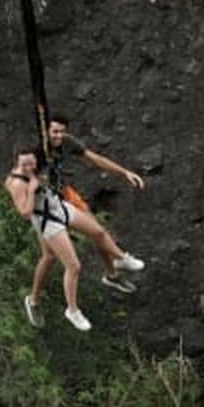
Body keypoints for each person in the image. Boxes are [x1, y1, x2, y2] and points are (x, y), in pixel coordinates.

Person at [4, 148, 140, 331]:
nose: (29, 167)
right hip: (47, 221)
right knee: (73, 266)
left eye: (32, 163)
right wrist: (31, 189)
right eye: (24, 164)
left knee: (98, 232)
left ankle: (119, 262)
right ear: (16, 164)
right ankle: (72, 310)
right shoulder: (16, 183)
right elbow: (25, 212)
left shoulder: (36, 168)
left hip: (60, 207)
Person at [39, 113, 146, 294]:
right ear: (45, 130)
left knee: (98, 232)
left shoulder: (67, 142)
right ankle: (37, 297)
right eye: (55, 131)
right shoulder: (36, 148)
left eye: (62, 132)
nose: (59, 135)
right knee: (50, 255)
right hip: (45, 200)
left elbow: (94, 158)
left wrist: (124, 172)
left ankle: (113, 273)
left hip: (65, 192)